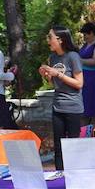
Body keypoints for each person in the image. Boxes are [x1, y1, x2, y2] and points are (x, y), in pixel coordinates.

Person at [39, 26, 84, 170]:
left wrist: (58, 74)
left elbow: (79, 83)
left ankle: (76, 175)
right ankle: (59, 175)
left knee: (73, 146)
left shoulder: (73, 56)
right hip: (57, 106)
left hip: (73, 107)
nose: (48, 41)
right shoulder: (53, 58)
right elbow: (55, 84)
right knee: (58, 147)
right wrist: (46, 76)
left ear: (60, 40)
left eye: (50, 37)